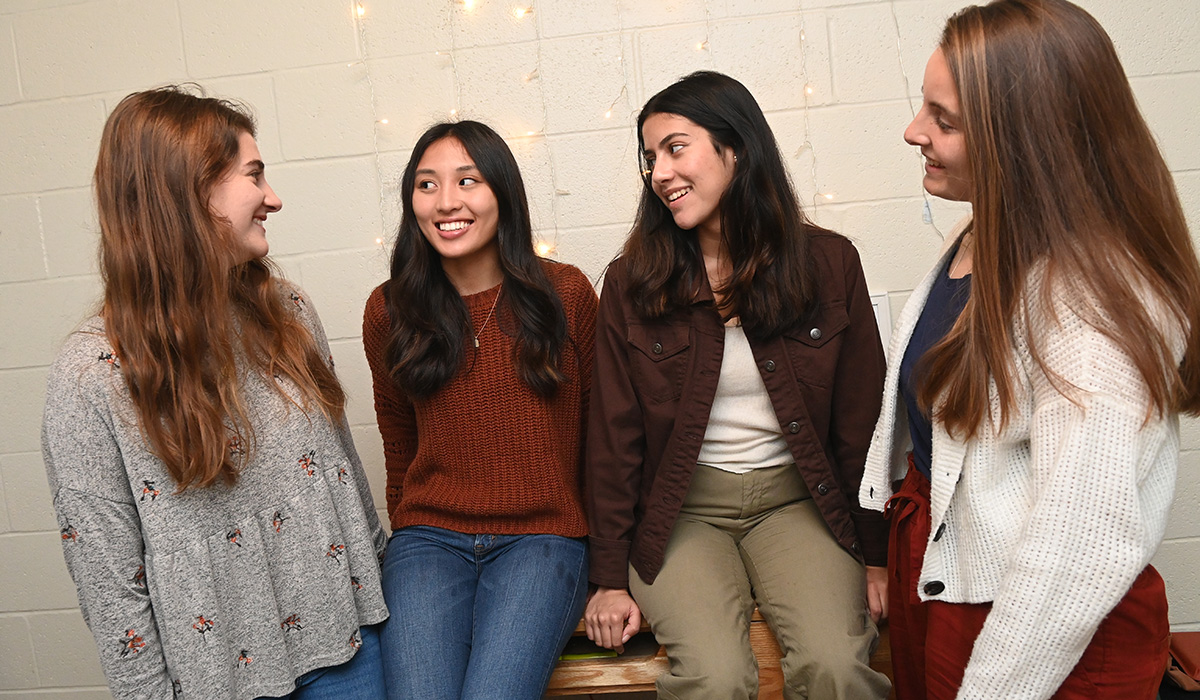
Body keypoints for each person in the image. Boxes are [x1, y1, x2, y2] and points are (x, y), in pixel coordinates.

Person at [858, 1, 1200, 698]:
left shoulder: (1090, 298)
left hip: (1037, 630)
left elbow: (1080, 544)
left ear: (1023, 137)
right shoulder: (985, 234)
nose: (912, 131)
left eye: (943, 119)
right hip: (957, 583)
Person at [42, 86, 388, 700]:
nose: (273, 198)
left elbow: (345, 481)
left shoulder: (289, 312)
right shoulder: (91, 374)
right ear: (194, 191)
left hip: (355, 655)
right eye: (254, 175)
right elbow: (108, 582)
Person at [584, 71, 892, 700]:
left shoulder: (830, 263)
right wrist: (608, 576)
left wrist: (878, 555)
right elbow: (613, 440)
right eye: (649, 159)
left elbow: (865, 422)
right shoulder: (629, 283)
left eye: (676, 147)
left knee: (837, 666)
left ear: (737, 148)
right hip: (681, 512)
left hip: (799, 501)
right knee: (716, 677)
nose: (660, 173)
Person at [362, 120, 597, 700]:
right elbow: (399, 443)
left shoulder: (564, 295)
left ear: (503, 194)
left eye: (467, 181)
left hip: (543, 540)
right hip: (428, 541)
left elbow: (603, 441)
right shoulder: (389, 309)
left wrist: (610, 573)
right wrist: (408, 532)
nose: (446, 203)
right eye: (426, 185)